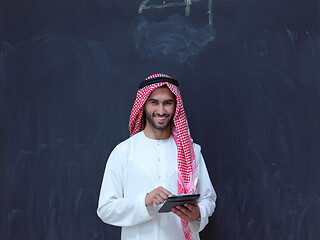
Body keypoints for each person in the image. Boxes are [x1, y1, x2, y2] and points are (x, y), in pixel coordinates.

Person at [97, 73, 216, 240]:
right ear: (143, 105)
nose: (161, 111)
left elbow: (208, 199)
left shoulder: (191, 151)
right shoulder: (123, 152)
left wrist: (198, 215)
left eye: (168, 103)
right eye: (154, 103)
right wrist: (144, 201)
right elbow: (106, 209)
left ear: (176, 106)